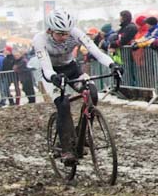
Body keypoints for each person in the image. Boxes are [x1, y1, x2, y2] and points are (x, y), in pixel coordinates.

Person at [31, 10, 121, 165]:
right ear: (50, 30)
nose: (64, 37)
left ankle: (82, 133)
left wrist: (112, 64)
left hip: (71, 69)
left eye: (66, 33)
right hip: (52, 73)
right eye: (60, 34)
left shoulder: (76, 33)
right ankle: (66, 149)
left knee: (92, 93)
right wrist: (54, 78)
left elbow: (96, 52)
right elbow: (45, 67)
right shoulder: (40, 39)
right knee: (63, 104)